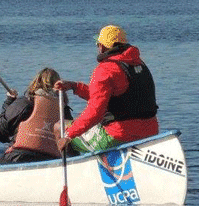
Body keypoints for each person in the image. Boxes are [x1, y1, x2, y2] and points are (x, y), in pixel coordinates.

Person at [55, 25, 158, 154]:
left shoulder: (105, 69)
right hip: (150, 133)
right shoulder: (138, 64)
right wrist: (75, 87)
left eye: (98, 44)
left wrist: (69, 135)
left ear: (102, 47)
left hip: (118, 136)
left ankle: (75, 168)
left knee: (59, 127)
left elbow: (95, 111)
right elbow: (112, 97)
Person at [0, 68, 73, 164]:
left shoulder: (25, 102)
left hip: (18, 157)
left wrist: (9, 101)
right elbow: (72, 146)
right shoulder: (64, 110)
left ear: (36, 82)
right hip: (51, 161)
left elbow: (3, 129)